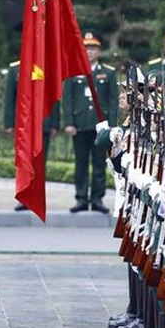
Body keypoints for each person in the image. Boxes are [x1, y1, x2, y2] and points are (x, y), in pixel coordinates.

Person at [62, 28, 118, 214]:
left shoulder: (108, 73)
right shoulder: (72, 72)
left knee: (99, 163)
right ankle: (80, 198)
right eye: (86, 48)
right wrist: (69, 122)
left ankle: (97, 198)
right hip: (79, 126)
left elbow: (113, 101)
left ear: (99, 50)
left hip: (100, 127)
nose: (90, 51)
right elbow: (67, 100)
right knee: (81, 163)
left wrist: (112, 126)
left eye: (93, 47)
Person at [4, 59, 60, 211]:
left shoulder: (49, 66)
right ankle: (25, 197)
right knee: (24, 161)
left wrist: (55, 123)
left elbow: (54, 96)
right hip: (24, 124)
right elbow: (10, 98)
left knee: (40, 161)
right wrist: (9, 123)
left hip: (44, 122)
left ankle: (37, 197)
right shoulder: (15, 69)